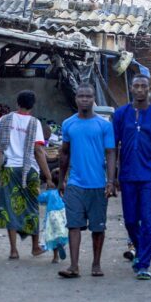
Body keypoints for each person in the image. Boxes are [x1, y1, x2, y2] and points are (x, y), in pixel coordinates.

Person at [113, 74, 151, 280]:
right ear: (131, 88)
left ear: (148, 88)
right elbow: (113, 148)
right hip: (127, 175)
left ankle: (144, 264)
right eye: (136, 86)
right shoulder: (120, 114)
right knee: (130, 220)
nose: (139, 90)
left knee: (148, 220)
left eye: (143, 86)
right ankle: (140, 249)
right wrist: (113, 177)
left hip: (149, 176)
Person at [58, 83, 116, 279]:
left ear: (93, 99)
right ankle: (73, 266)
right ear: (76, 99)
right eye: (81, 96)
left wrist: (111, 181)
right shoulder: (68, 124)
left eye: (88, 96)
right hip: (75, 183)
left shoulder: (104, 125)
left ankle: (96, 264)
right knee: (73, 225)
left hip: (98, 185)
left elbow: (110, 153)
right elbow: (64, 153)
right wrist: (61, 181)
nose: (84, 99)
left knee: (98, 228)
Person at [0, 90, 54, 259]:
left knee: (9, 208)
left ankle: (13, 250)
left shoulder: (4, 119)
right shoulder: (35, 122)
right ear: (32, 106)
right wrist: (48, 176)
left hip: (9, 168)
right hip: (29, 170)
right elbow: (38, 150)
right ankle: (34, 247)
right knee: (32, 207)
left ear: (17, 102)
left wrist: (6, 150)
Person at [38, 168, 68, 264]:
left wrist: (38, 191)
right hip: (63, 217)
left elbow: (40, 199)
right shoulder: (66, 194)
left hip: (51, 218)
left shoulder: (50, 193)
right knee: (63, 235)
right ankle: (62, 246)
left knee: (53, 236)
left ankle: (55, 257)